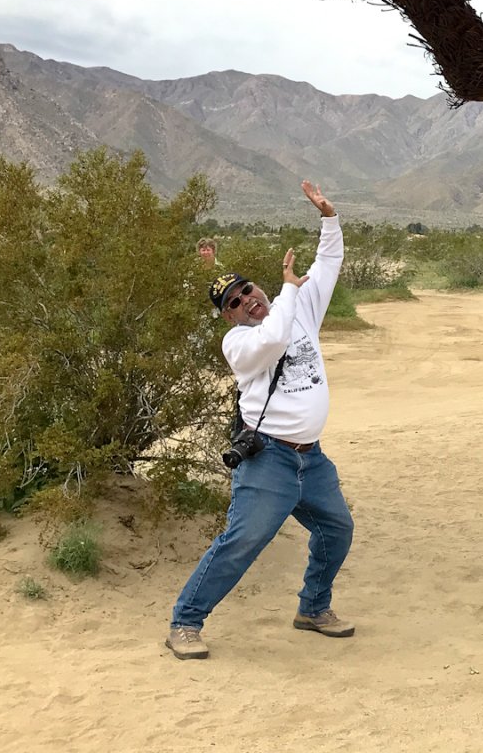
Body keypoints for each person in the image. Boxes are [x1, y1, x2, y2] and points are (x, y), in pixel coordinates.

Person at [166, 180, 355, 660]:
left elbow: (328, 264)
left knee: (337, 529)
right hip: (268, 459)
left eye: (247, 289)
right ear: (228, 317)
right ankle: (185, 622)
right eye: (233, 302)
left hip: (311, 460)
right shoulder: (239, 343)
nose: (246, 299)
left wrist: (329, 218)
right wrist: (289, 290)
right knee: (243, 541)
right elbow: (272, 339)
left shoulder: (300, 307)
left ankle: (313, 608)